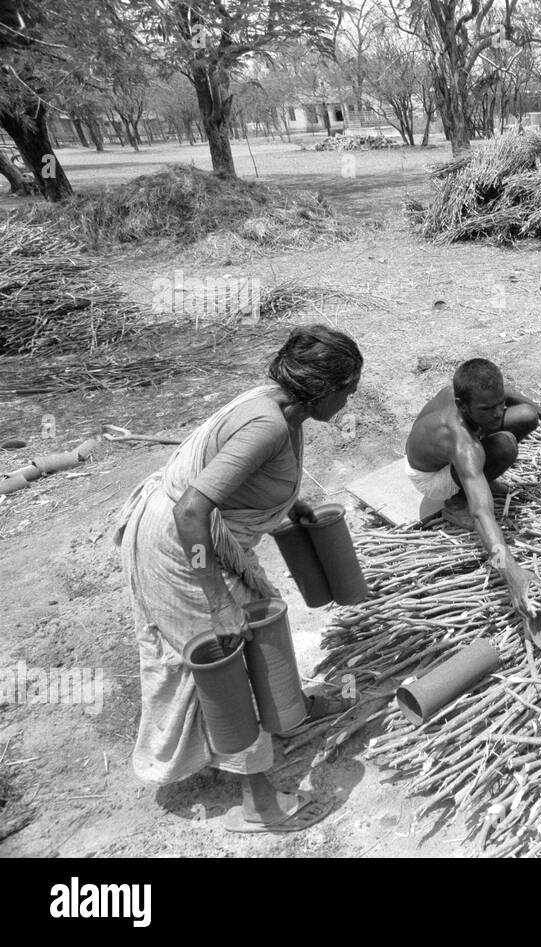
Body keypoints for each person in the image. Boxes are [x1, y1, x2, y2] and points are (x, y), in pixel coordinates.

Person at [115, 325, 363, 832]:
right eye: (349, 388)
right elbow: (192, 511)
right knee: (225, 655)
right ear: (323, 390)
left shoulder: (283, 410)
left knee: (261, 622)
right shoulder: (266, 424)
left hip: (199, 531)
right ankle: (260, 803)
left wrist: (291, 505)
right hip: (180, 544)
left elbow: (242, 476)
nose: (351, 398)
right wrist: (216, 600)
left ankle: (289, 708)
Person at [405, 358, 541, 614]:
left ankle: (479, 474)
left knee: (527, 415)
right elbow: (482, 513)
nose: (498, 413)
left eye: (499, 404)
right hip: (430, 477)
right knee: (505, 445)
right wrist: (510, 571)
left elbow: (506, 395)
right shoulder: (463, 444)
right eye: (488, 409)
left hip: (445, 449)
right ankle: (457, 502)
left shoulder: (470, 393)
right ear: (461, 405)